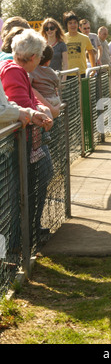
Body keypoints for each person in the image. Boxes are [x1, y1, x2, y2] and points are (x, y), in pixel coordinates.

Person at [0, 29, 54, 242]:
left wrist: (36, 110)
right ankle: (20, 240)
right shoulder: (14, 71)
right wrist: (34, 113)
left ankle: (26, 235)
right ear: (33, 57)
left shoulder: (16, 70)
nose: (41, 60)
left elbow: (24, 102)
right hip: (18, 143)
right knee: (19, 194)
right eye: (40, 56)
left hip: (26, 140)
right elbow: (18, 104)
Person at [29, 44, 61, 113]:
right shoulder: (51, 72)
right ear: (48, 61)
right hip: (54, 99)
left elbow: (28, 83)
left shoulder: (32, 70)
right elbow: (57, 83)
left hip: (44, 100)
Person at [63, 11, 95, 77]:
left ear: (78, 24)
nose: (73, 25)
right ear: (66, 25)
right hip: (67, 73)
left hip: (82, 73)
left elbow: (91, 53)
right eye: (70, 23)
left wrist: (93, 69)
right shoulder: (62, 38)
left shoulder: (85, 38)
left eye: (75, 23)